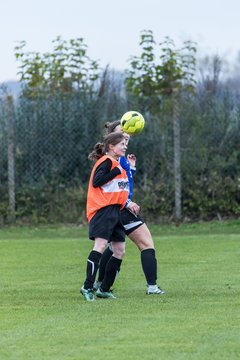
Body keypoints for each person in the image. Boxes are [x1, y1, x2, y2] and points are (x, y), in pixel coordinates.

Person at [94, 120, 166, 295]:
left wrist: (131, 168)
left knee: (114, 248)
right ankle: (152, 287)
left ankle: (101, 285)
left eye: (127, 134)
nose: (126, 136)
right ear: (112, 140)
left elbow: (124, 181)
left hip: (115, 208)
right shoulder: (112, 160)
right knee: (146, 244)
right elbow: (112, 186)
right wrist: (126, 202)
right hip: (120, 208)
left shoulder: (118, 158)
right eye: (122, 133)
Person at [80, 132, 129, 301]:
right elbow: (97, 181)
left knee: (119, 250)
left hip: (116, 211)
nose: (125, 146)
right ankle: (87, 287)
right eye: (122, 144)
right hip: (103, 211)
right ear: (111, 147)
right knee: (100, 246)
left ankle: (104, 288)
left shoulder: (117, 163)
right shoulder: (107, 162)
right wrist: (115, 171)